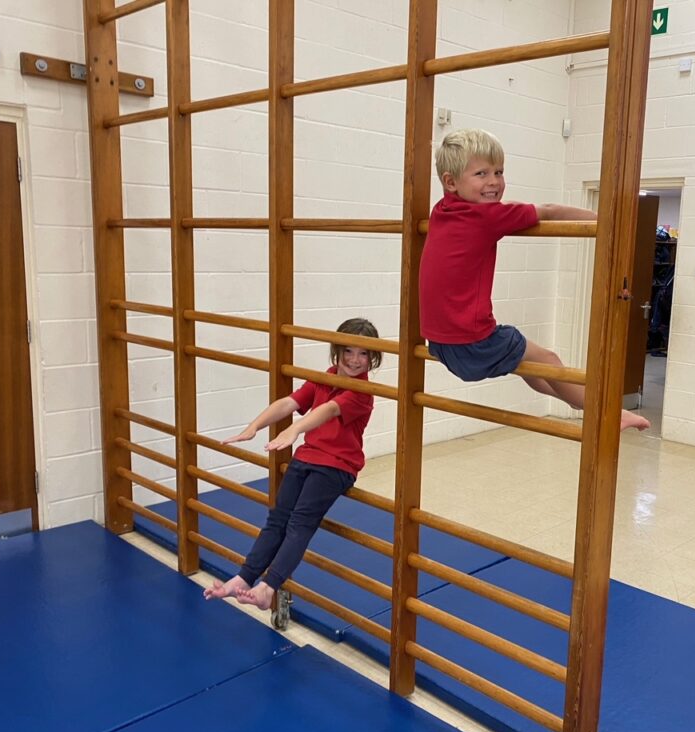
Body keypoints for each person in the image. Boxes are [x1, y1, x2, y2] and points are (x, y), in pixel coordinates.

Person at [419, 128, 650, 431]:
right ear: (451, 182)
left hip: (439, 345)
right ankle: (608, 414)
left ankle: (574, 400)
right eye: (481, 173)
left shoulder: (441, 211)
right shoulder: (487, 216)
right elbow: (550, 210)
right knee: (551, 361)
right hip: (474, 340)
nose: (494, 182)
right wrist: (607, 222)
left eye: (499, 172)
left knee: (532, 368)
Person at [203, 318, 382, 609]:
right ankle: (244, 578)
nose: (354, 360)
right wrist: (254, 426)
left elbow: (328, 410)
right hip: (307, 457)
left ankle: (268, 588)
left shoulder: (362, 392)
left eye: (363, 354)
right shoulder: (327, 376)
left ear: (373, 358)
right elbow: (290, 402)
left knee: (299, 523)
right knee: (276, 520)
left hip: (336, 465)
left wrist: (296, 429)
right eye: (348, 351)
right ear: (336, 350)